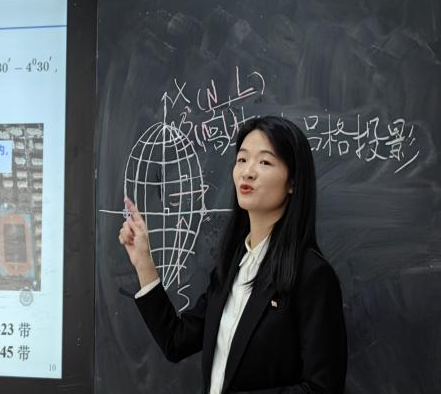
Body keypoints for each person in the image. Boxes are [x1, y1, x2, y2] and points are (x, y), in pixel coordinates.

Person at [118, 116, 347, 394]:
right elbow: (176, 341)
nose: (247, 172)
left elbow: (323, 388)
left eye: (265, 162)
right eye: (242, 159)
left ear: (293, 182)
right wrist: (143, 261)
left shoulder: (311, 275)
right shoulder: (231, 266)